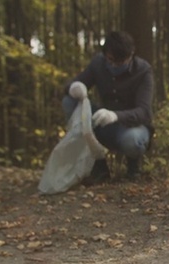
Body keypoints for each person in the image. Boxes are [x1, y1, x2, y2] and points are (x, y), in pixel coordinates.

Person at [63, 31, 154, 184]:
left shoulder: (143, 71)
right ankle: (99, 167)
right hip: (102, 124)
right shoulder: (98, 63)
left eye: (120, 62)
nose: (114, 65)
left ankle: (133, 167)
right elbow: (72, 85)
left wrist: (115, 115)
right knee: (69, 102)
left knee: (133, 141)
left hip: (130, 127)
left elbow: (144, 113)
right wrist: (74, 87)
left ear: (131, 55)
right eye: (110, 60)